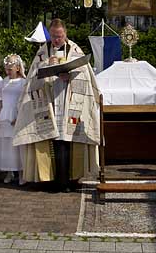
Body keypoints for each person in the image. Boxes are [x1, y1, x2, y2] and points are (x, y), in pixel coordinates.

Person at [14, 19, 101, 192]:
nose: (56, 40)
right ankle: (52, 181)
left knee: (68, 141)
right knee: (52, 141)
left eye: (59, 36)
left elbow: (85, 74)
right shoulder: (42, 52)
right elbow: (33, 77)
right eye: (54, 36)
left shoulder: (75, 50)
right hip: (49, 102)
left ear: (65, 34)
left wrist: (70, 76)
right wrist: (48, 66)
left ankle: (70, 180)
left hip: (69, 101)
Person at [0, 54, 26, 184]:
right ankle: (9, 172)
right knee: (6, 145)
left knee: (17, 145)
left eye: (10, 69)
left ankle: (22, 172)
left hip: (16, 114)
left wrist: (18, 116)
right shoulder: (3, 82)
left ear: (17, 68)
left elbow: (24, 102)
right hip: (4, 115)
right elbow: (0, 102)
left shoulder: (23, 82)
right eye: (6, 69)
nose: (7, 72)